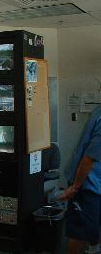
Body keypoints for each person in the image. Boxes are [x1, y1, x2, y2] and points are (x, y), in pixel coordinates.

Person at [59, 104, 101, 254]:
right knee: (80, 233)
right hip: (87, 185)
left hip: (94, 183)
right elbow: (88, 160)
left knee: (92, 224)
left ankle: (93, 248)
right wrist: (75, 187)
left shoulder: (98, 110)